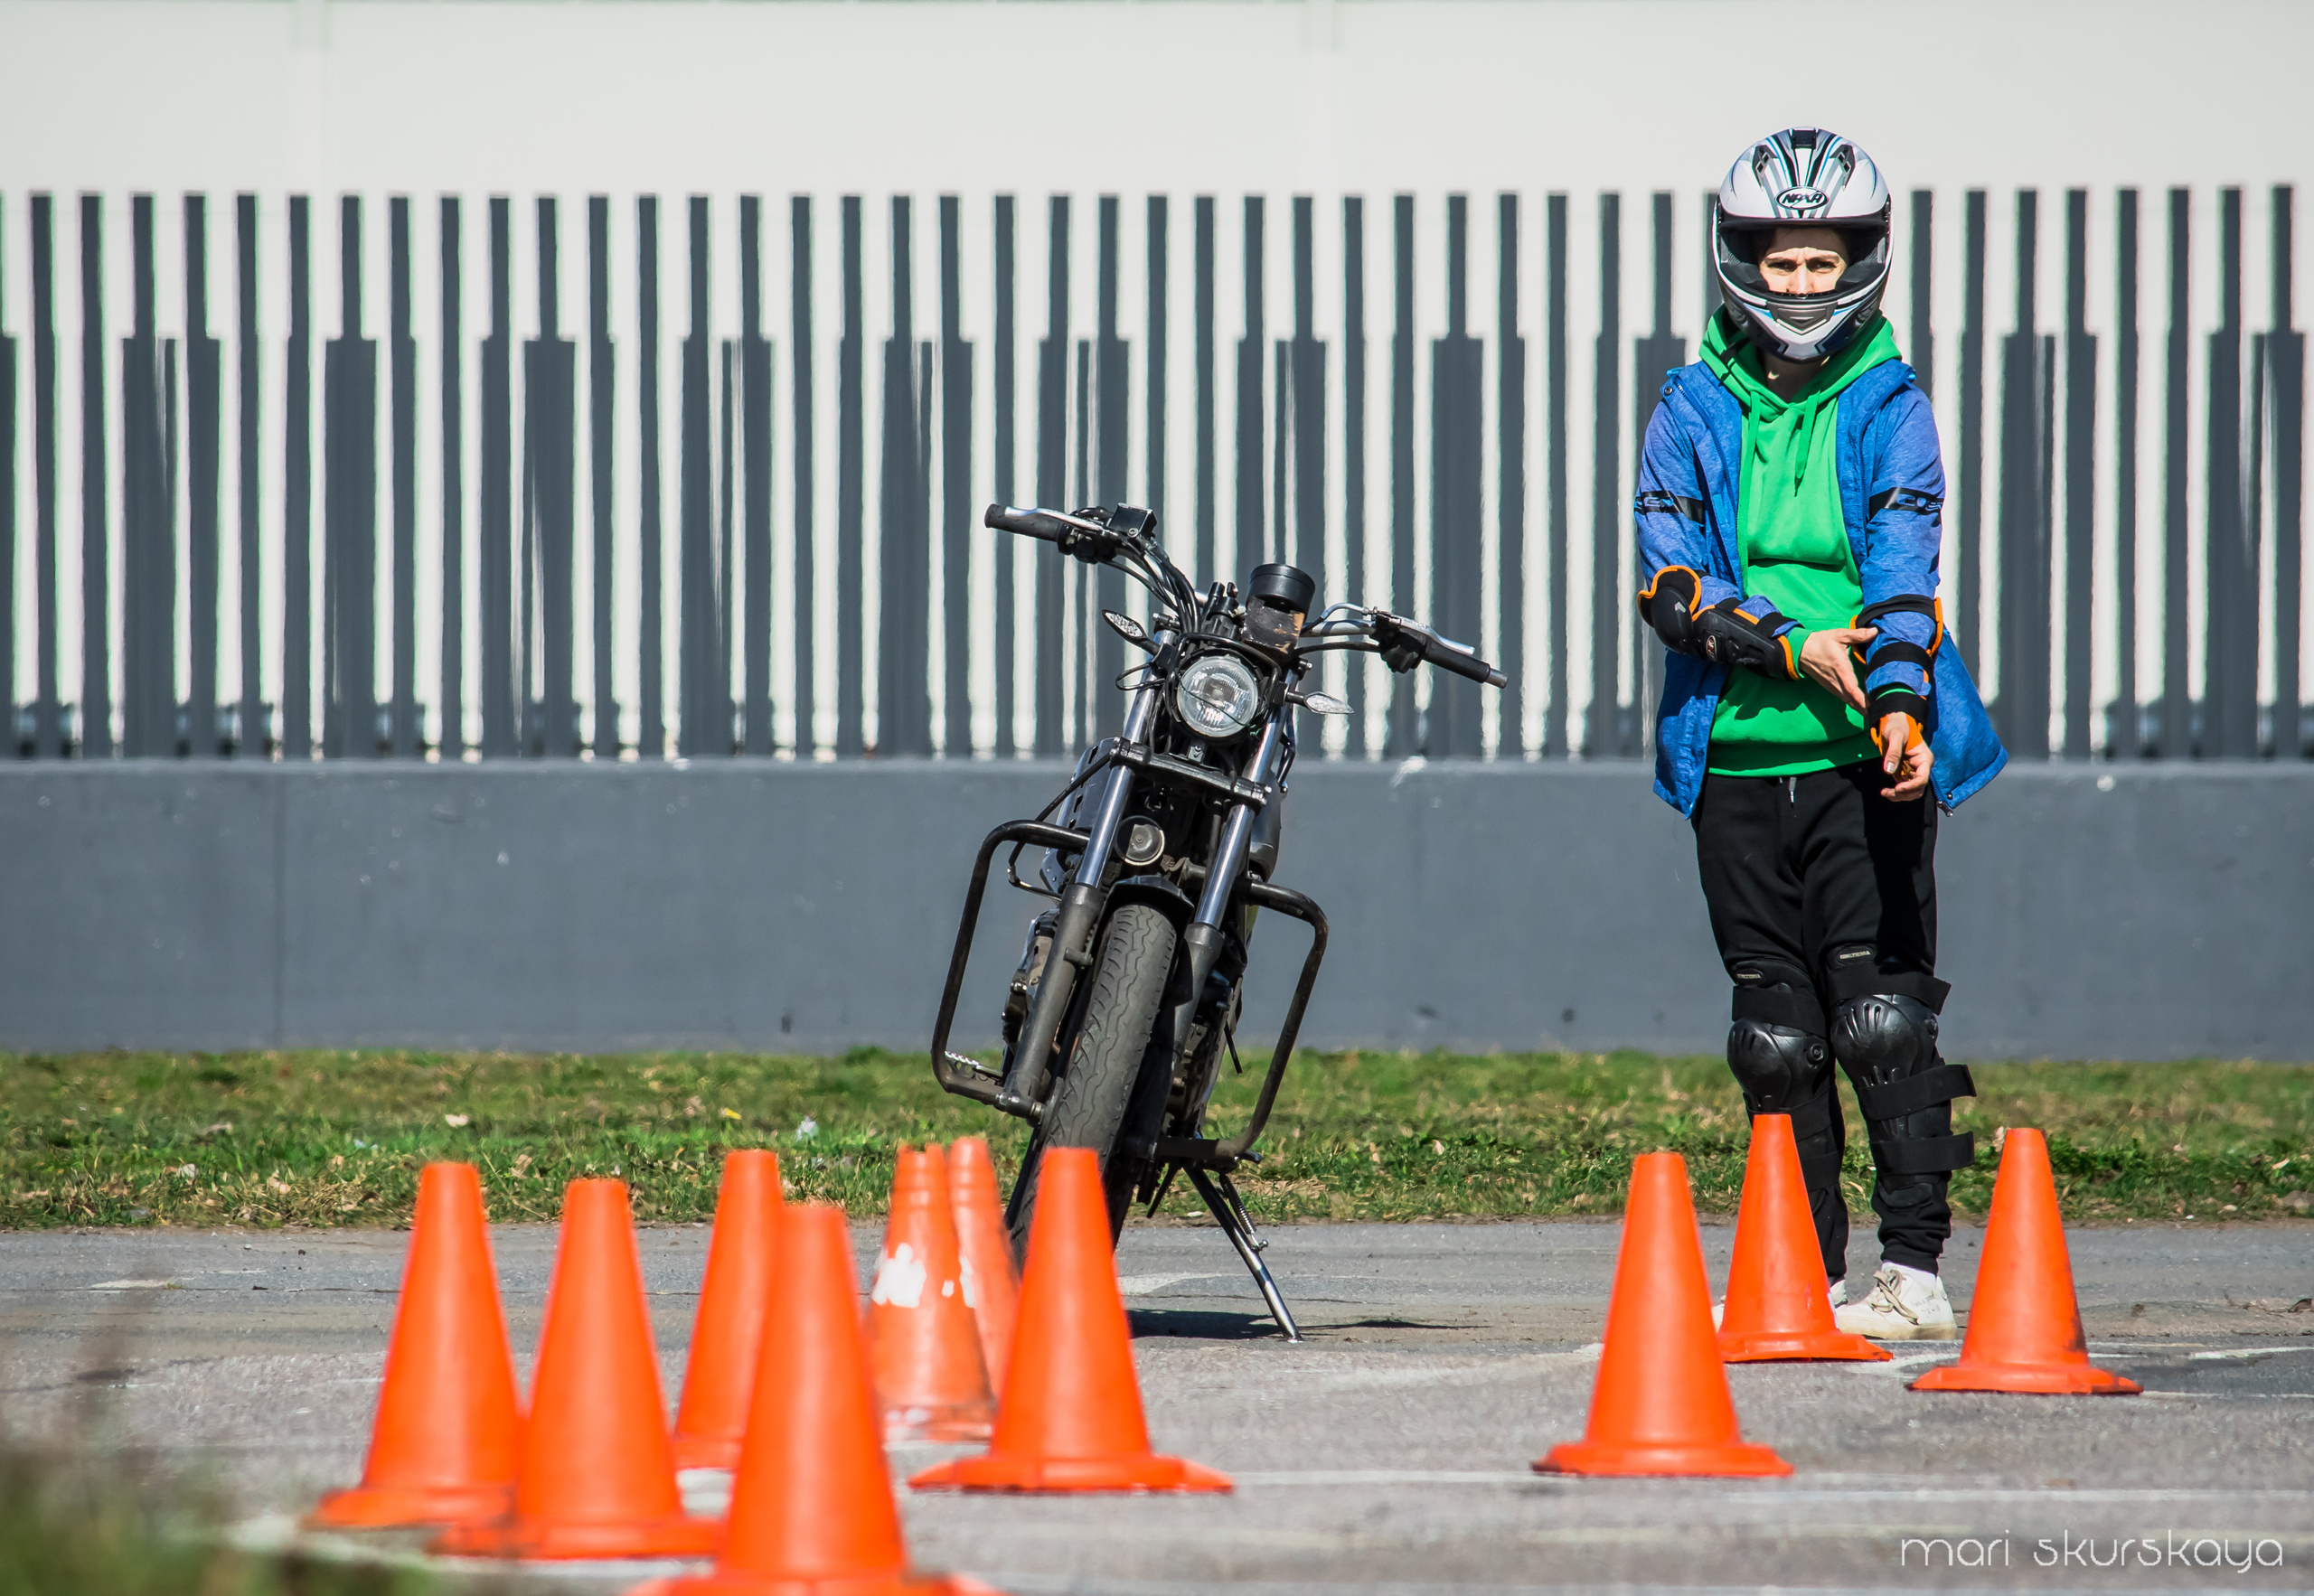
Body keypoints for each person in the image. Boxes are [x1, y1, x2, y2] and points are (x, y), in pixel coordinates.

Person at [1634, 128, 2007, 1339]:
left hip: (1858, 757)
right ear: (1740, 262)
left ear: (1864, 262)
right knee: (1775, 1038)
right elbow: (1668, 587)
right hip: (1734, 757)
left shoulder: (1893, 407)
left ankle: (1911, 1266)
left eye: (1820, 261)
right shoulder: (1688, 408)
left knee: (1879, 1016)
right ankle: (1802, 1266)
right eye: (1780, 262)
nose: (1801, 285)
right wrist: (1794, 646)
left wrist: (1897, 703)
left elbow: (1907, 567)